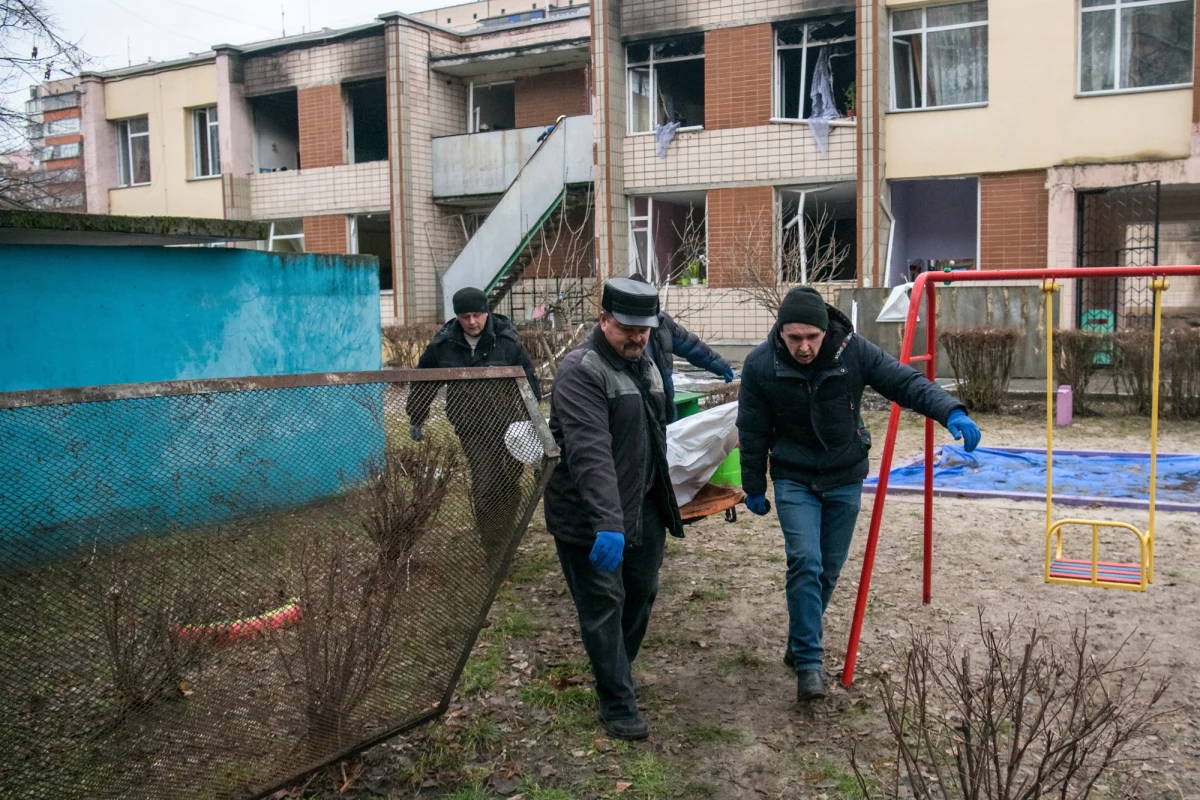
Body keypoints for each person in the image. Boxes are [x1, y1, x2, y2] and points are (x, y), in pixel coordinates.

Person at [737, 286, 980, 702]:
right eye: (794, 338)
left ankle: (800, 640)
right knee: (805, 561)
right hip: (795, 476)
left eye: (812, 337)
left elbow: (904, 381)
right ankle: (809, 664)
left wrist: (949, 410)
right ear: (780, 332)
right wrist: (754, 486)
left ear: (824, 330)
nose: (804, 347)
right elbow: (752, 428)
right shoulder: (761, 365)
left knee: (828, 571)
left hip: (844, 475)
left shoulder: (852, 351)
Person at [543, 277, 684, 741]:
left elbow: (657, 436)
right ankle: (617, 700)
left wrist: (672, 495)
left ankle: (616, 668)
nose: (637, 338)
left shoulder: (647, 364)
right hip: (590, 515)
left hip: (642, 505)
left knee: (641, 593)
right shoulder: (581, 372)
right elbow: (591, 453)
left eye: (644, 329)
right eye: (627, 328)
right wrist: (608, 522)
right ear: (603, 319)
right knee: (604, 604)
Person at [406, 287, 541, 557]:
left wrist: (536, 423)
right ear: (457, 317)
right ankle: (494, 549)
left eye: (477, 315)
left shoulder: (506, 341)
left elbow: (529, 382)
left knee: (508, 483)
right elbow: (423, 382)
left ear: (486, 312)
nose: (472, 322)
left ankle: (505, 533)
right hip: (471, 427)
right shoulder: (444, 345)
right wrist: (417, 417)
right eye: (465, 316)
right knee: (485, 485)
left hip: (510, 426)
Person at [629, 273, 735, 421]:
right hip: (633, 410)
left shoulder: (662, 324)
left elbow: (691, 346)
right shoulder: (618, 333)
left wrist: (719, 364)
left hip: (664, 406)